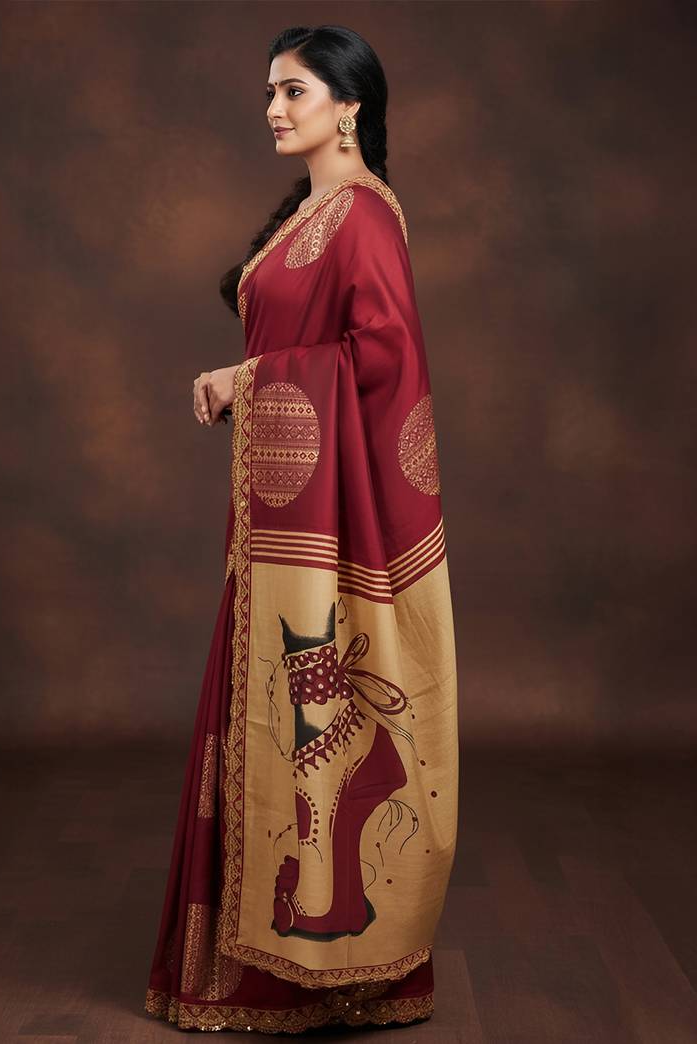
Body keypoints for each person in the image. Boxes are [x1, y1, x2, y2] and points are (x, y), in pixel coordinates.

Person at [145, 24, 458, 1035]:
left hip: (326, 538)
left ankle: (315, 968)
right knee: (273, 723)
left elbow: (383, 359)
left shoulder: (361, 214)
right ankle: (275, 962)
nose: (274, 109)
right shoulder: (311, 213)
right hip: (280, 524)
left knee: (306, 729)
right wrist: (249, 382)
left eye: (295, 91)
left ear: (349, 105)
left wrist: (246, 380)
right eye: (271, 92)